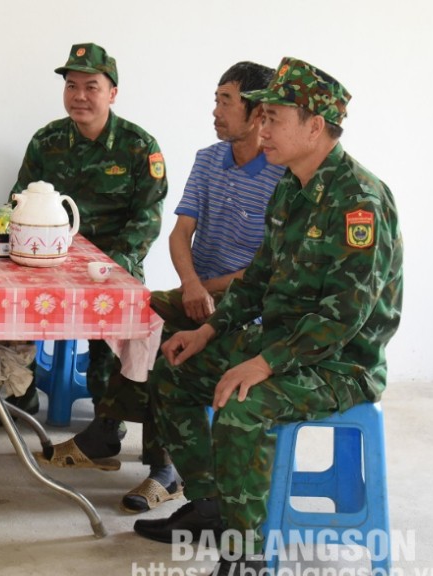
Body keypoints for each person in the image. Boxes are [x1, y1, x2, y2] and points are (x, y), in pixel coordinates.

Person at [132, 57, 403, 576]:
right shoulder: (291, 187)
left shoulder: (359, 203)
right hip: (283, 347)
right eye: (262, 117)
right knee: (174, 368)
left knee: (242, 404)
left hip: (341, 365)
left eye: (274, 118)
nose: (262, 127)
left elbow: (344, 317)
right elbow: (258, 280)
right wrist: (209, 330)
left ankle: (246, 556)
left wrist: (263, 363)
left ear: (315, 126)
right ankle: (214, 504)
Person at [120, 62, 285, 514]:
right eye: (216, 100)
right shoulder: (208, 159)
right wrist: (191, 285)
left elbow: (264, 269)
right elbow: (180, 233)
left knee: (173, 354)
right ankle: (116, 433)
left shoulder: (282, 175)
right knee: (136, 313)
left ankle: (166, 472)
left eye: (225, 102)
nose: (215, 111)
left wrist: (204, 290)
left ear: (257, 114)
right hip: (199, 291)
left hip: (246, 305)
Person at [12, 43, 168, 468]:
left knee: (111, 336)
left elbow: (148, 218)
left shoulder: (139, 146)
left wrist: (114, 264)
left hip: (113, 263)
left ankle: (108, 421)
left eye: (91, 87)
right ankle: (17, 394)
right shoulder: (47, 140)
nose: (79, 96)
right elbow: (21, 200)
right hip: (52, 260)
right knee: (10, 304)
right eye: (71, 86)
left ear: (112, 93)